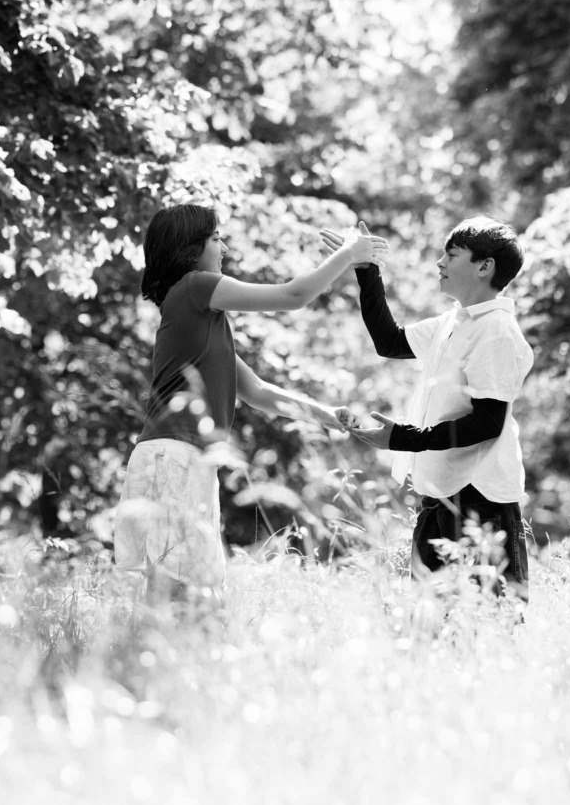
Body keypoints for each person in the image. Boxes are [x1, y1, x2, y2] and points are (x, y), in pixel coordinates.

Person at [113, 202, 384, 601]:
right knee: (178, 592)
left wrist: (329, 416)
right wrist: (349, 253)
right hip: (174, 458)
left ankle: (166, 660)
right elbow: (293, 296)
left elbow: (258, 392)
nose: (224, 249)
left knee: (185, 591)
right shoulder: (195, 286)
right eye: (217, 238)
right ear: (191, 249)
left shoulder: (202, 320)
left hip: (184, 461)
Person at [323, 216, 533, 600]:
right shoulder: (454, 321)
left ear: (485, 266)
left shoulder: (496, 331)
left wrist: (400, 438)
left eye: (451, 254)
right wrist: (366, 271)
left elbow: (488, 423)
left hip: (479, 501)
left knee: (486, 629)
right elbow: (388, 341)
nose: (439, 263)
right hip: (439, 497)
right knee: (429, 626)